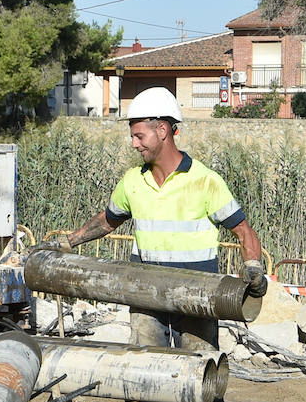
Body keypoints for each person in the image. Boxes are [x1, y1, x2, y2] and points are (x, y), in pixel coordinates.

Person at [44, 86, 267, 354]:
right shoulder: (132, 181)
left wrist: (253, 268)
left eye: (139, 136)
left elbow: (243, 230)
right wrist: (65, 243)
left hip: (197, 295)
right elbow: (106, 221)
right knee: (146, 372)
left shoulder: (205, 181)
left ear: (162, 131)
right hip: (145, 292)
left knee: (198, 373)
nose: (134, 144)